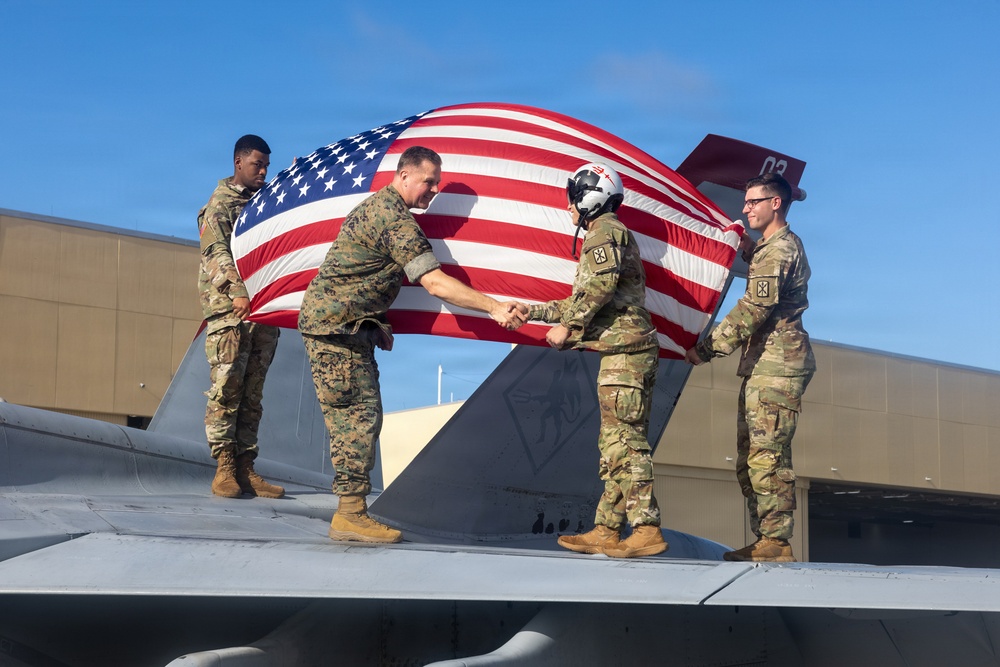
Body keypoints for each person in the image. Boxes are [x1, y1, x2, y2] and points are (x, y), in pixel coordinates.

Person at [298, 145, 526, 544]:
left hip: (344, 329)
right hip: (336, 331)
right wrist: (493, 307)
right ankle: (349, 515)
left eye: (437, 183)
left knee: (363, 415)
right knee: (358, 419)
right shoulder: (393, 219)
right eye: (429, 181)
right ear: (404, 176)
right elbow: (434, 283)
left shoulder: (379, 208)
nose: (434, 190)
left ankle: (352, 511)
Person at [528, 162, 667, 559]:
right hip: (626, 349)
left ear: (590, 198)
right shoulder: (608, 232)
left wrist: (568, 327)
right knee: (616, 443)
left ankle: (646, 527)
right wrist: (531, 312)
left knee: (622, 442)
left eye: (573, 198)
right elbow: (585, 295)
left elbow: (599, 288)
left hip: (625, 352)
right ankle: (607, 528)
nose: (568, 207)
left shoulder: (603, 232)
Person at [685, 172, 814, 562]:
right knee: (750, 457)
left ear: (775, 203)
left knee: (767, 456)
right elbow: (766, 278)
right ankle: (767, 539)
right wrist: (746, 249)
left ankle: (775, 541)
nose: (745, 209)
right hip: (764, 364)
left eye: (753, 202)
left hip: (777, 366)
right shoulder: (770, 249)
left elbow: (755, 307)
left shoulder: (778, 251)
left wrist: (707, 349)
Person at [198, 134, 284, 499]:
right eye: (256, 165)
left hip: (261, 312)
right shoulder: (220, 204)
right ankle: (224, 468)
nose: (263, 172)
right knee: (228, 387)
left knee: (253, 393)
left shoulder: (263, 204)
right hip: (230, 312)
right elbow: (215, 252)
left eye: (267, 166)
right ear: (238, 162)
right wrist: (237, 291)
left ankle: (246, 467)